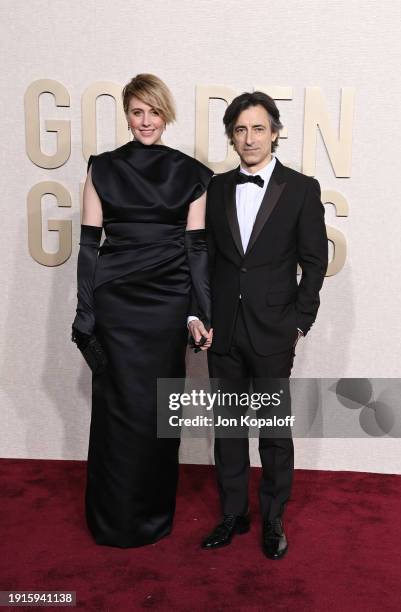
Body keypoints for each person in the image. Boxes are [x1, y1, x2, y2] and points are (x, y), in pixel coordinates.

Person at [72, 73, 213, 548]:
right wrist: (84, 312)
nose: (146, 121)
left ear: (166, 114)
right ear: (127, 115)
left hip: (166, 304)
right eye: (137, 111)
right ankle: (113, 519)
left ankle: (152, 514)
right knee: (116, 409)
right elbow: (89, 246)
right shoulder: (102, 168)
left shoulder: (193, 173)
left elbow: (197, 250)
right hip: (116, 304)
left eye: (154, 111)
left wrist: (200, 311)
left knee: (158, 411)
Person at [190, 91, 327, 559]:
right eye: (241, 130)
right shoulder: (217, 187)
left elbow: (314, 260)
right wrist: (198, 314)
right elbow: (202, 258)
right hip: (222, 330)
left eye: (259, 129)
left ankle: (273, 519)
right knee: (227, 428)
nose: (249, 138)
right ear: (232, 136)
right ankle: (233, 513)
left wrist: (300, 322)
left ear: (275, 133)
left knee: (272, 430)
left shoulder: (302, 188)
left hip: (273, 331)